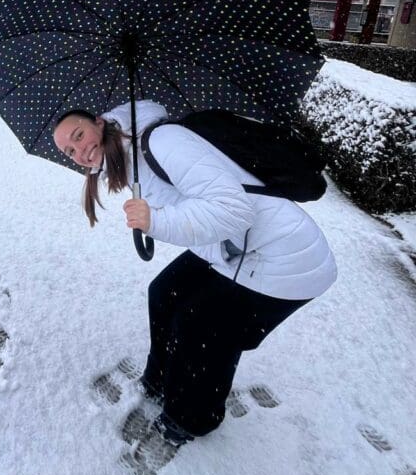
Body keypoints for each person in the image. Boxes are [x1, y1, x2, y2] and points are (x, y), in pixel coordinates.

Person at [52, 100, 337, 448]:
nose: (79, 151)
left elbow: (234, 210)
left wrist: (156, 221)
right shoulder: (128, 156)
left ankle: (190, 418)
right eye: (70, 151)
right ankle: (160, 380)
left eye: (78, 135)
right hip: (236, 245)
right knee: (164, 292)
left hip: (285, 258)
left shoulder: (163, 142)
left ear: (99, 122)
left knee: (203, 326)